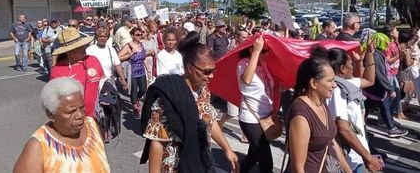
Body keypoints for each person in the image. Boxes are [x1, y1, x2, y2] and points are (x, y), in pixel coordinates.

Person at [140, 31, 239, 173]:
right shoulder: (169, 94)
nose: (211, 76)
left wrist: (227, 149)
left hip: (199, 161)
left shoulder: (204, 90)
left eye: (213, 70)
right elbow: (157, 140)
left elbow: (209, 120)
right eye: (206, 71)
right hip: (174, 165)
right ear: (190, 68)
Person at [13, 77, 110, 173]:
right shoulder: (38, 147)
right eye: (70, 112)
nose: (80, 115)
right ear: (51, 114)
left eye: (81, 107)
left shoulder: (92, 125)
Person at [286, 48, 351, 173]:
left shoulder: (321, 102)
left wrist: (348, 170)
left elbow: (331, 141)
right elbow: (298, 168)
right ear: (313, 83)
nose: (335, 85)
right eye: (330, 81)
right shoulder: (301, 115)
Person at [326, 46, 383, 172]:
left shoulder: (346, 84)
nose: (352, 67)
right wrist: (369, 158)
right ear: (342, 68)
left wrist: (369, 54)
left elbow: (369, 80)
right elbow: (343, 129)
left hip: (356, 155)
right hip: (349, 159)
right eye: (350, 63)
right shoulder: (337, 90)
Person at [236, 35, 282, 173]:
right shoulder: (243, 63)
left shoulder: (264, 64)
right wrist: (256, 52)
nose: (266, 54)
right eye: (264, 51)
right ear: (252, 49)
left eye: (266, 51)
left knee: (253, 155)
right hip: (251, 119)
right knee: (266, 163)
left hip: (265, 117)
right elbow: (247, 80)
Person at [50, 28, 104, 118]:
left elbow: (103, 81)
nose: (83, 48)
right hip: (74, 120)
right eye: (78, 47)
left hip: (98, 116)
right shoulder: (57, 71)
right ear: (68, 51)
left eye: (83, 45)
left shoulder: (93, 60)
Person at [118, 27, 150, 117]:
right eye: (137, 35)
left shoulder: (142, 45)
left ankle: (136, 100)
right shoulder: (128, 46)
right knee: (133, 90)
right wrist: (130, 54)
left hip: (141, 70)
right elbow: (118, 57)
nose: (139, 36)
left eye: (141, 34)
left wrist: (148, 70)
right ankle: (135, 108)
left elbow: (144, 59)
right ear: (132, 36)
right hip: (132, 70)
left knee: (143, 89)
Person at [86, 27, 128, 91]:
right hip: (94, 82)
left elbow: (117, 65)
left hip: (109, 81)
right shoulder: (89, 50)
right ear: (96, 37)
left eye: (105, 36)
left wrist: (123, 80)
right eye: (100, 36)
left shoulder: (111, 50)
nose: (102, 38)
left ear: (107, 38)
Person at [383, 25, 406, 119]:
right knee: (388, 97)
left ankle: (390, 117)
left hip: (394, 74)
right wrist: (398, 56)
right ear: (391, 33)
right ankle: (383, 119)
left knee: (395, 95)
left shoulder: (395, 43)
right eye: (396, 31)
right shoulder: (388, 44)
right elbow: (387, 61)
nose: (398, 32)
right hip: (389, 74)